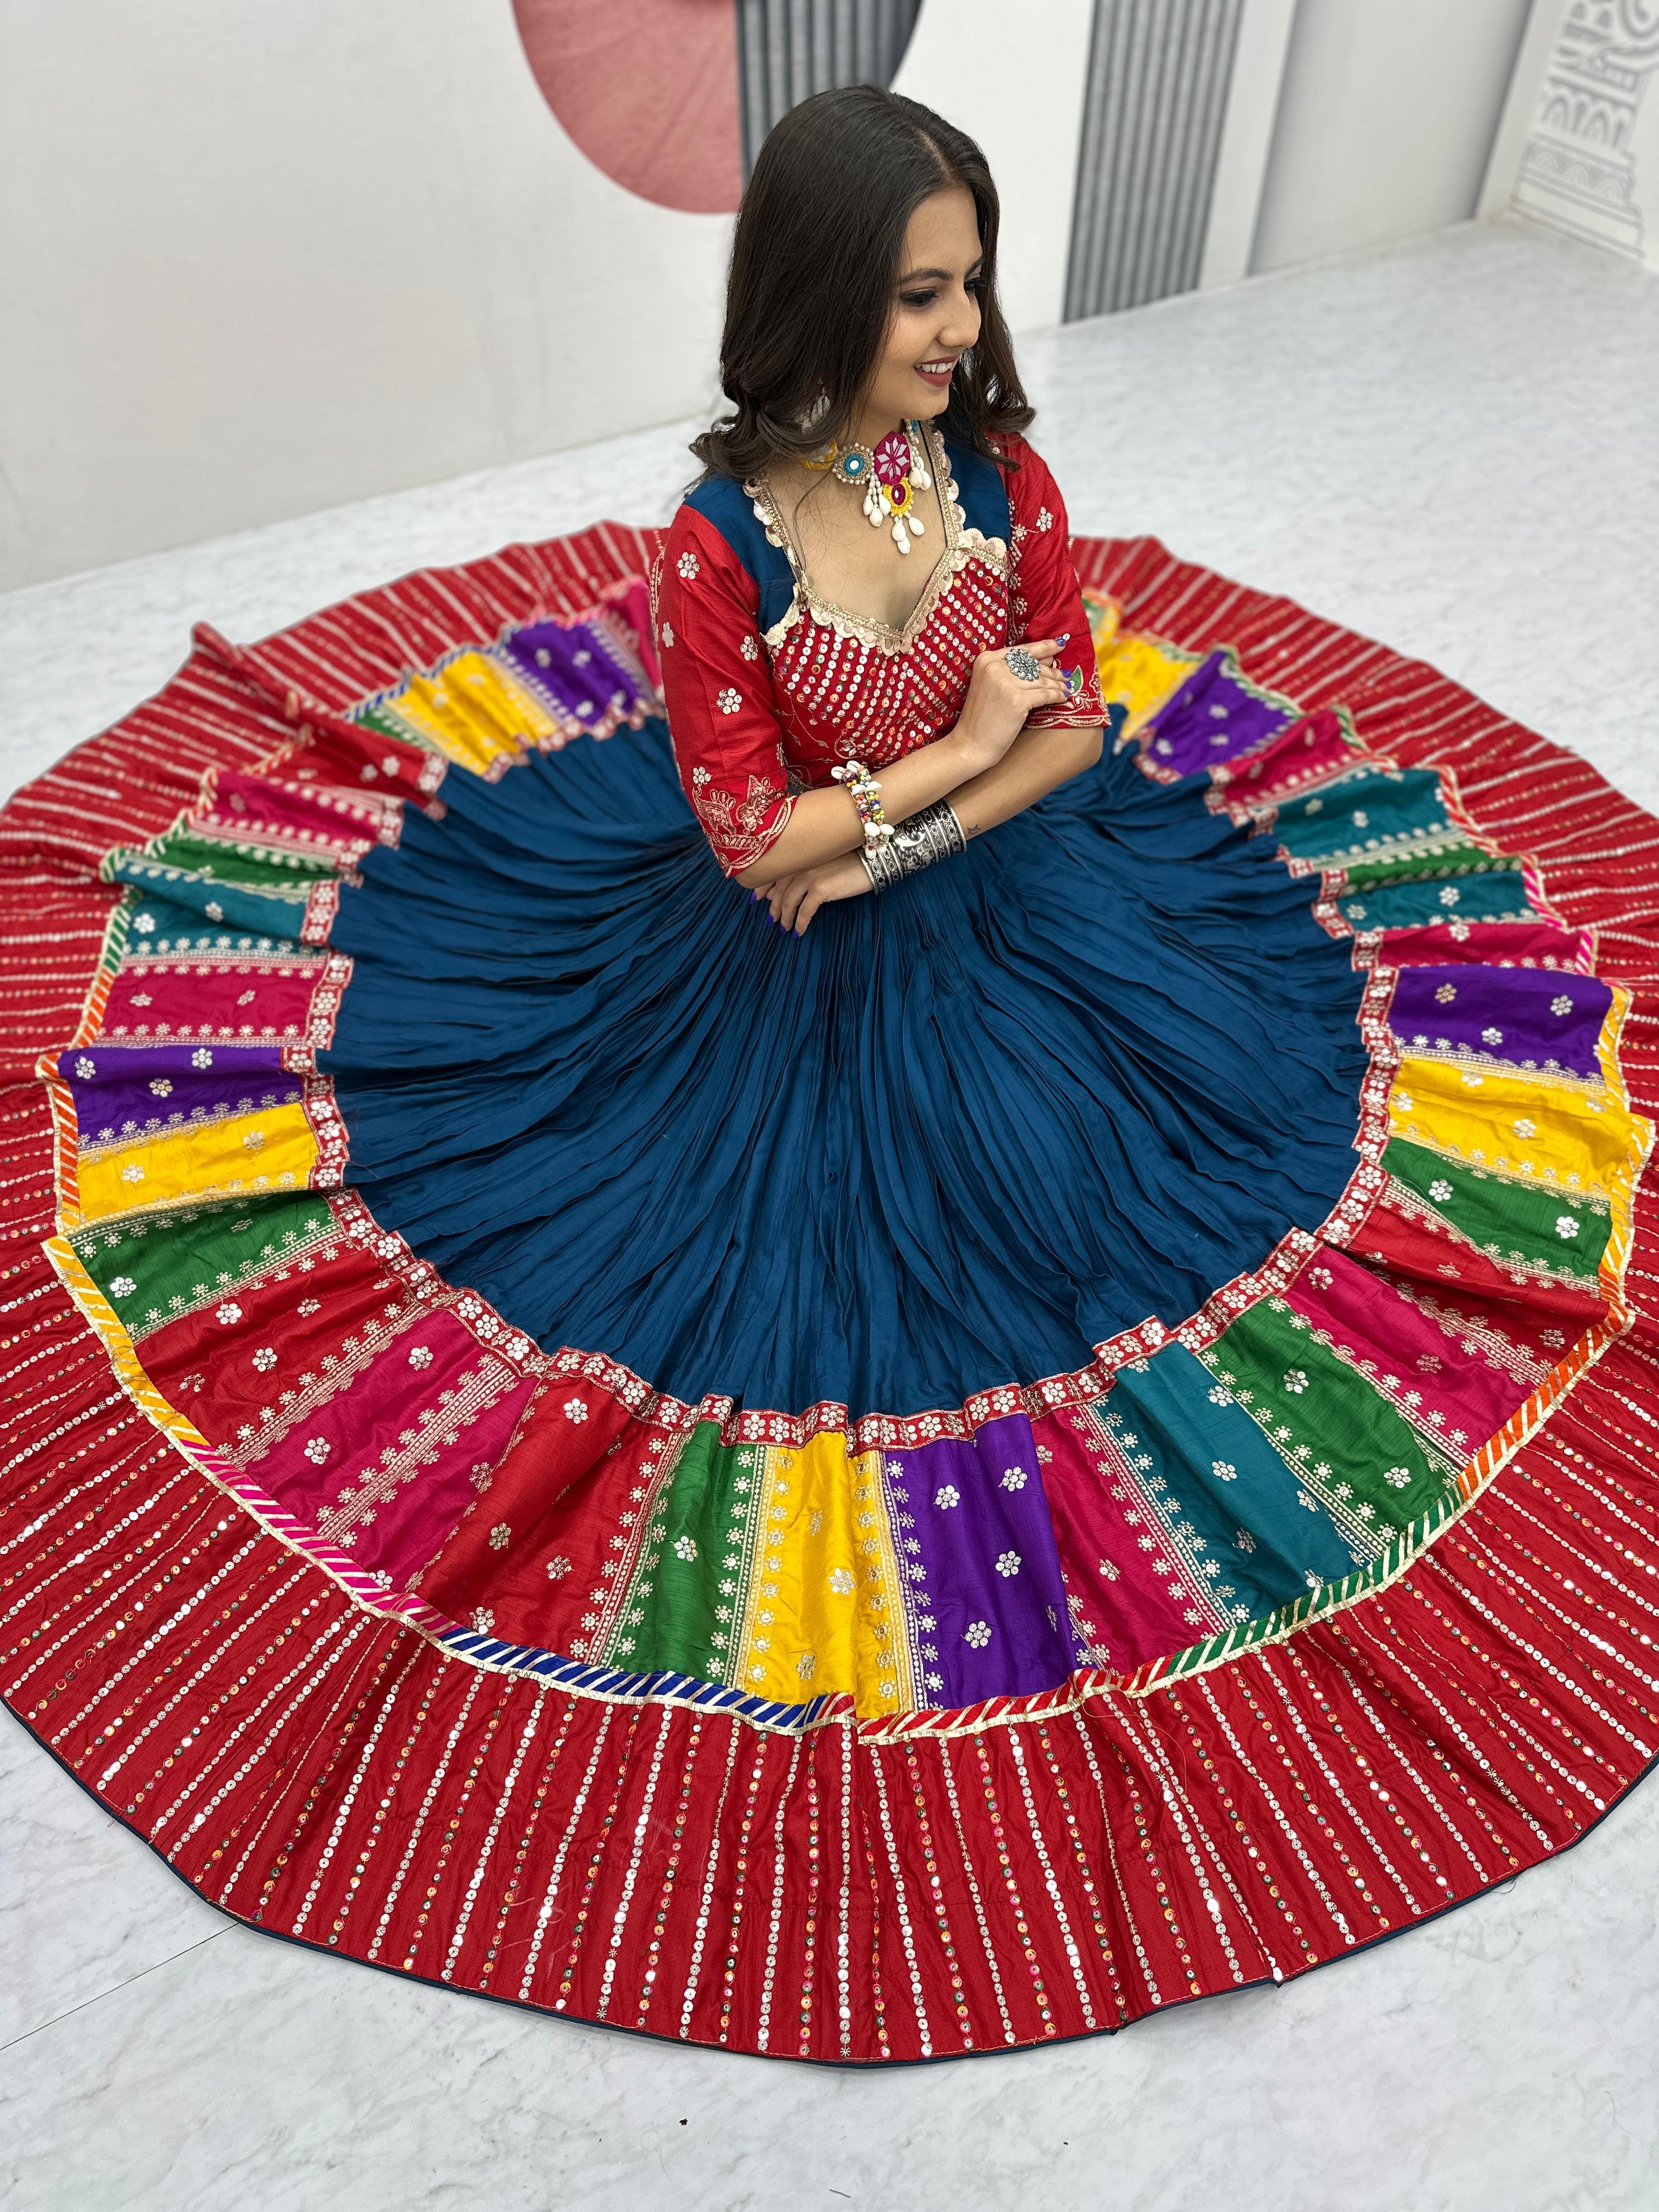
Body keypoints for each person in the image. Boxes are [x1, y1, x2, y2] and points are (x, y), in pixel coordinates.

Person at [3, 86, 1653, 2066]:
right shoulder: (709, 550)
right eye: (910, 297)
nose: (954, 334)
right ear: (807, 297)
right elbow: (747, 853)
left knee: (1131, 1186)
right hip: (765, 972)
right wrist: (954, 758)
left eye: (966, 286)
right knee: (661, 1214)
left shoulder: (1006, 486)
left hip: (1038, 923)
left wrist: (895, 820)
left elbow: (1072, 736)